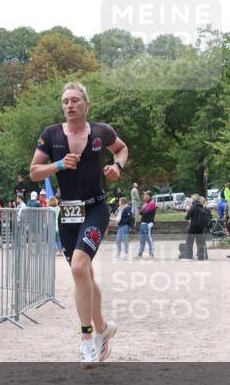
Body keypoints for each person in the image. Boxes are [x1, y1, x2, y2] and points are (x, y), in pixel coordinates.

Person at [30, 81, 128, 363]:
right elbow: (35, 172)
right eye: (65, 101)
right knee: (85, 274)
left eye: (75, 100)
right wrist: (58, 165)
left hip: (96, 208)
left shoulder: (101, 131)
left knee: (78, 268)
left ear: (86, 105)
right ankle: (103, 329)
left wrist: (117, 167)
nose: (69, 105)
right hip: (69, 213)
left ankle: (86, 339)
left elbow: (121, 149)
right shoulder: (50, 135)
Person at [184, 194, 209, 260]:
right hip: (200, 227)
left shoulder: (193, 207)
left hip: (193, 227)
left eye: (191, 198)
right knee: (200, 242)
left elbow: (187, 217)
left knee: (189, 241)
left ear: (194, 199)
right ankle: (201, 256)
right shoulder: (201, 206)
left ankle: (189, 256)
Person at [137, 191, 156, 258]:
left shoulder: (152, 203)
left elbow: (145, 213)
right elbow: (141, 212)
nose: (144, 196)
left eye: (146, 195)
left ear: (149, 196)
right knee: (142, 240)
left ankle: (151, 253)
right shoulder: (146, 204)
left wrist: (142, 210)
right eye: (144, 195)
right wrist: (142, 210)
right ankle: (140, 253)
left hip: (148, 223)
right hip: (143, 223)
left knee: (149, 239)